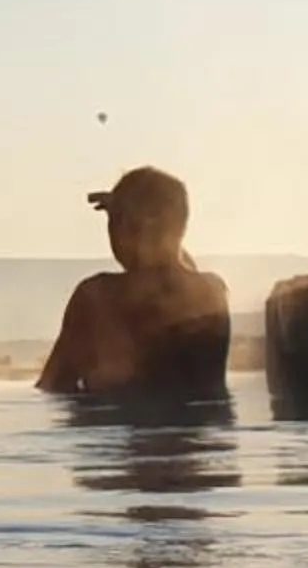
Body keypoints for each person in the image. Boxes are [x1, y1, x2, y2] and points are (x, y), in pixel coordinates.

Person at [37, 166, 230, 397]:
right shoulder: (210, 293)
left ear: (128, 230)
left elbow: (52, 385)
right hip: (195, 428)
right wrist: (129, 217)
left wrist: (124, 220)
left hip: (117, 419)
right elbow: (174, 266)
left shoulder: (97, 297)